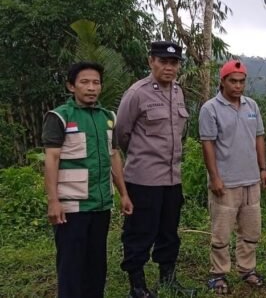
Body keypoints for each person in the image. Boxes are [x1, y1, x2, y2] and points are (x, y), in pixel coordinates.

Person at [42, 61, 133, 298]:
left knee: (96, 265)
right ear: (71, 86)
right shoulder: (60, 117)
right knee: (71, 265)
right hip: (71, 206)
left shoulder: (108, 117)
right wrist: (53, 201)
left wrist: (123, 194)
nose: (91, 88)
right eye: (84, 82)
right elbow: (51, 159)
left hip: (101, 203)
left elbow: (114, 157)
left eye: (96, 83)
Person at [116, 42, 193, 298]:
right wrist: (142, 156)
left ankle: (168, 281)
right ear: (151, 62)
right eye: (163, 61)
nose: (169, 67)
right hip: (143, 179)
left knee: (169, 232)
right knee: (139, 232)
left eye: (173, 63)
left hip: (172, 178)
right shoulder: (137, 93)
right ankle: (137, 286)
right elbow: (121, 134)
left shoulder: (178, 93)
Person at [199, 60, 266, 294]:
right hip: (226, 182)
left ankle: (246, 269)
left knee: (251, 230)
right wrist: (215, 178)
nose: (238, 86)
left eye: (242, 81)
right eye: (233, 81)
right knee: (222, 232)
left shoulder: (252, 105)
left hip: (251, 180)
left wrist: (263, 168)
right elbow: (207, 145)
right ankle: (218, 274)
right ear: (222, 81)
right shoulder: (210, 108)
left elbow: (259, 137)